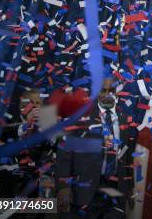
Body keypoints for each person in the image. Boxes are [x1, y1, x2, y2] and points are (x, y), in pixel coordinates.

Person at [55, 78, 137, 217]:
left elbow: (127, 156)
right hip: (86, 188)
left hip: (116, 188)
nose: (107, 94)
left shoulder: (124, 118)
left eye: (111, 91)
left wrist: (130, 187)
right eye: (103, 91)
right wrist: (63, 187)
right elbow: (64, 152)